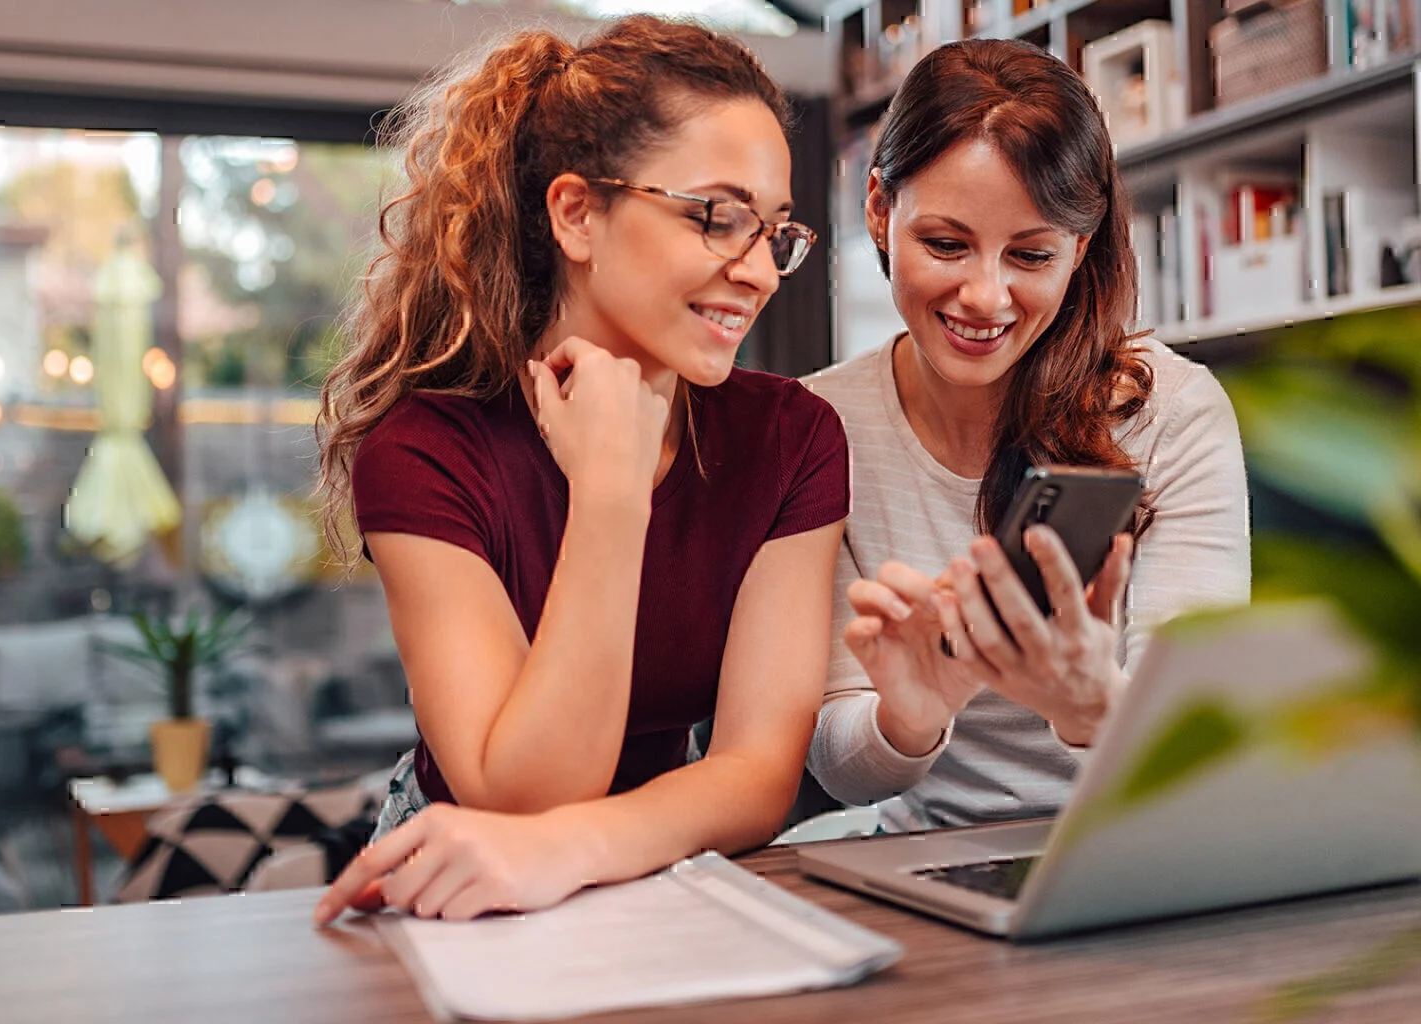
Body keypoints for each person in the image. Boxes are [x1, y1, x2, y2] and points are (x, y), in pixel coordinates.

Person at [310, 16, 849, 924]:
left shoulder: (790, 438)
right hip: (470, 877)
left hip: (665, 855)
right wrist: (609, 496)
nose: (758, 271)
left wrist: (589, 847)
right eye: (717, 216)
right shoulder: (425, 450)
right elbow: (517, 803)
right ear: (576, 214)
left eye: (775, 232)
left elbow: (756, 776)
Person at [804, 39, 1251, 832]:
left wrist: (1091, 707)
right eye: (945, 244)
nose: (985, 296)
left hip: (1136, 846)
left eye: (1031, 254)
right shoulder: (819, 428)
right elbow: (841, 769)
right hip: (923, 862)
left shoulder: (1170, 413)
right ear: (879, 209)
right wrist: (911, 713)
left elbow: (1202, 759)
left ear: (1080, 248)